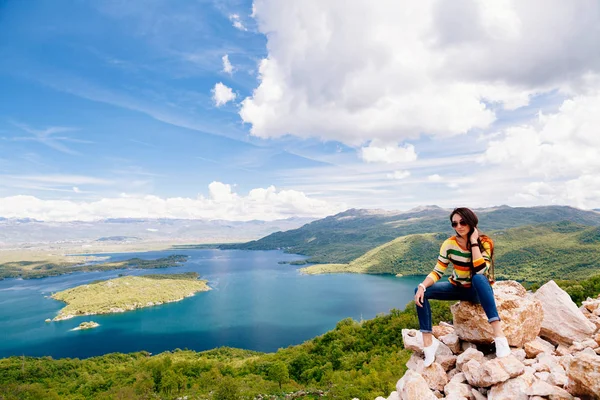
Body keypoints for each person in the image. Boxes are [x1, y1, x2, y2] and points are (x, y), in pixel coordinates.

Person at [414, 207, 510, 367]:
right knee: (420, 291)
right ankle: (428, 343)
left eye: (463, 222)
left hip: (477, 291)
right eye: (455, 223)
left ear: (471, 221)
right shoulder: (449, 244)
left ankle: (499, 337)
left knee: (479, 278)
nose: (459, 226)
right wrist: (423, 285)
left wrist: (473, 242)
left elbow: (481, 269)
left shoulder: (485, 242)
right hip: (457, 287)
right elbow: (438, 270)